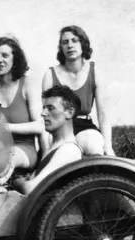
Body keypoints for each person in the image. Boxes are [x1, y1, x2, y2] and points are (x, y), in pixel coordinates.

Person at [42, 25, 115, 156]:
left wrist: (108, 148)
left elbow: (103, 116)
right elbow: (45, 114)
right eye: (65, 42)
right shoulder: (50, 74)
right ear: (61, 47)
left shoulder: (95, 72)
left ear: (83, 44)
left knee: (93, 146)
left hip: (84, 125)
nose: (70, 45)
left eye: (74, 40)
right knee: (60, 155)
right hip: (59, 127)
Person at [0, 36, 44, 185]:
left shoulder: (27, 84)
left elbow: (40, 125)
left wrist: (6, 128)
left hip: (24, 149)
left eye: (5, 55)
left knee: (5, 156)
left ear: (15, 59)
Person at [14, 85, 83, 195]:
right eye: (44, 108)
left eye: (50, 108)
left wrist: (18, 183)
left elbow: (31, 189)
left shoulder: (69, 150)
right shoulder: (55, 145)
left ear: (69, 113)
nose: (43, 113)